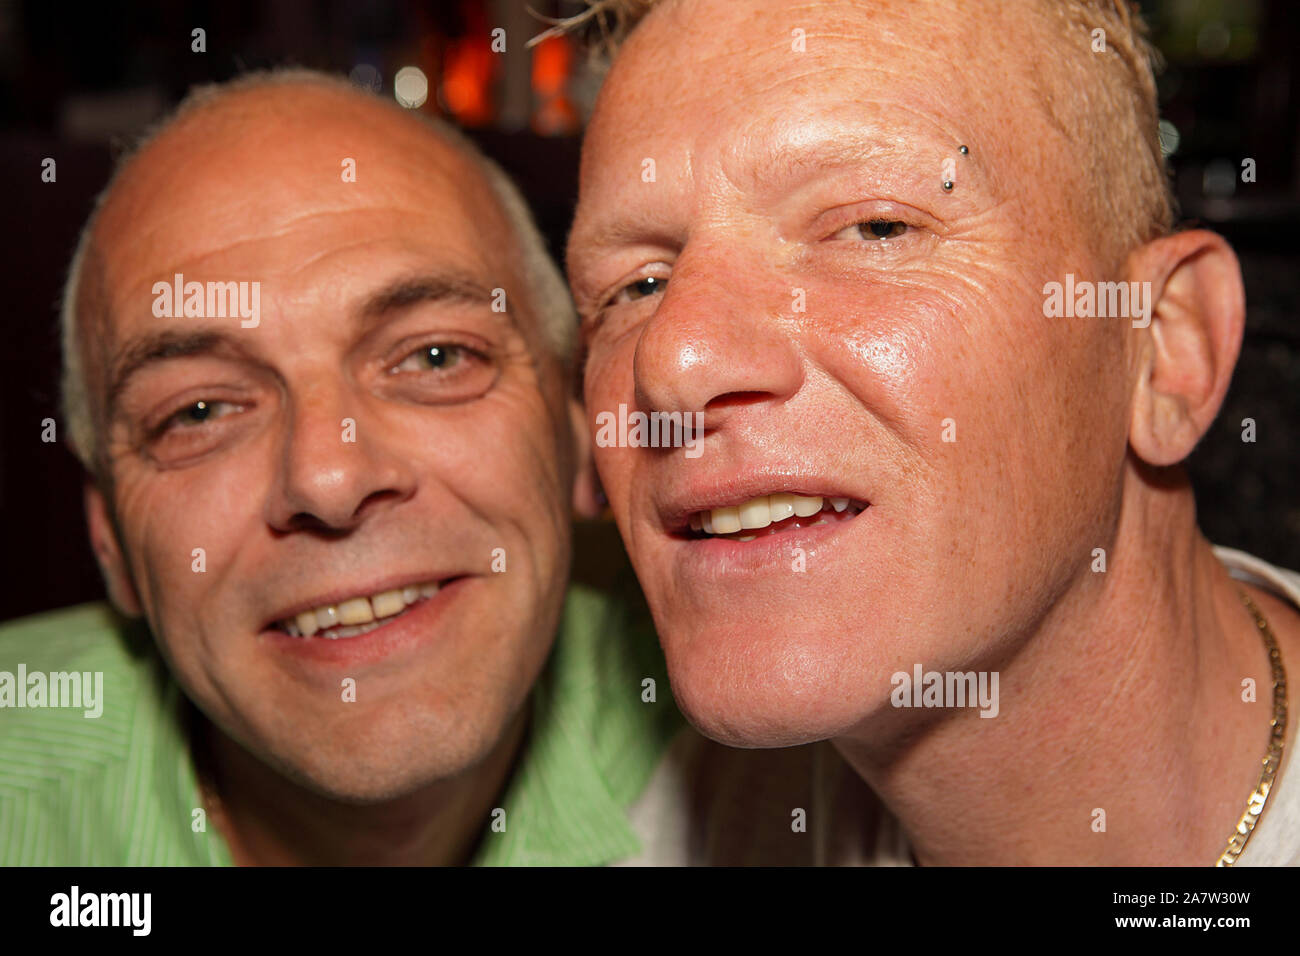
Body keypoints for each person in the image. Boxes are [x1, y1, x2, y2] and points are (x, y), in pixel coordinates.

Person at [565, 0, 1300, 865]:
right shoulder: (658, 829)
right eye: (637, 287)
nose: (674, 358)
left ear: (1167, 348)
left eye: (875, 227)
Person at [0, 68, 690, 866]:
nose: (328, 480)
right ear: (110, 541)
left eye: (434, 357)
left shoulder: (762, 762)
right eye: (200, 411)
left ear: (578, 436)